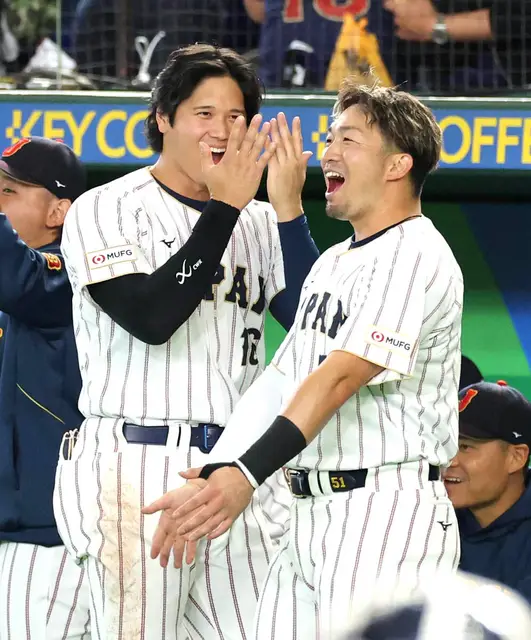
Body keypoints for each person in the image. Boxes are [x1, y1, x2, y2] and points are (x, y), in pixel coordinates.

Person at [145, 80, 464, 638]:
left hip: (385, 511)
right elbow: (282, 380)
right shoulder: (335, 261)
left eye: (349, 140)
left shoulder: (416, 252)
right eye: (330, 137)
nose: (328, 153)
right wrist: (219, 472)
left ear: (398, 165)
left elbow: (339, 378)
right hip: (307, 511)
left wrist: (246, 474)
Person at [54, 43, 318, 640]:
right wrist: (224, 208)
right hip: (136, 463)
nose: (221, 131)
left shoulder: (258, 220)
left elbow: (316, 327)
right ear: (163, 119)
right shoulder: (106, 208)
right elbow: (151, 317)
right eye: (204, 114)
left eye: (236, 116)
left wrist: (288, 210)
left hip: (236, 473)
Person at [0, 137, 90, 639]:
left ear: (58, 212)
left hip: (50, 536)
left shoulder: (71, 273)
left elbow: (20, 280)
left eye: (9, 191)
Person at [443, 380, 531, 603]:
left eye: (465, 447)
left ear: (516, 457)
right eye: (445, 445)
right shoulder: (427, 515)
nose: (448, 461)